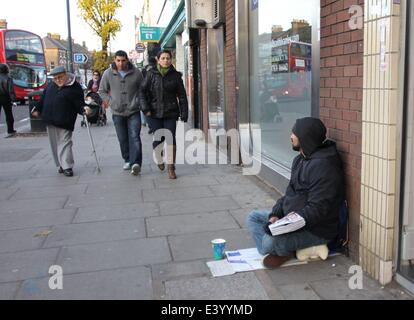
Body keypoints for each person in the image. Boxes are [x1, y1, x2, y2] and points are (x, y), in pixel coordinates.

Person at [246, 117, 345, 268]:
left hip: (316, 229)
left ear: (305, 137)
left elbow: (317, 210)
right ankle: (289, 251)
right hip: (291, 218)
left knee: (268, 242)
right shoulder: (300, 160)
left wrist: (282, 227)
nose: (291, 136)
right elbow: (288, 194)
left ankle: (290, 250)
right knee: (253, 218)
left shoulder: (325, 166)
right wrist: (275, 216)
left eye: (294, 133)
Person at [31, 66, 91, 177]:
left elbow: (79, 103)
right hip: (49, 118)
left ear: (66, 75)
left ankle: (67, 166)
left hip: (65, 120)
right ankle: (60, 165)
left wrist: (84, 109)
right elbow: (43, 98)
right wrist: (37, 108)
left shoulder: (74, 87)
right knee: (54, 143)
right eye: (55, 78)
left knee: (65, 142)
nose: (58, 80)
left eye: (60, 77)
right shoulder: (51, 85)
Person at [140, 50, 188, 180]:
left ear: (171, 60)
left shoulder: (176, 76)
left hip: (170, 112)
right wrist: (145, 109)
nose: (166, 60)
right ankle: (159, 157)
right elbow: (142, 92)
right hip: (153, 113)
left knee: (170, 138)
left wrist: (184, 112)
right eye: (163, 58)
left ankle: (171, 167)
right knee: (158, 138)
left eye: (168, 58)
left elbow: (182, 96)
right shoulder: (151, 74)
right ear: (158, 59)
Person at [99, 50, 144, 175]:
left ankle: (136, 163)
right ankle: (127, 159)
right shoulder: (108, 73)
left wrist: (138, 101)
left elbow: (143, 89)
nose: (120, 63)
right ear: (114, 60)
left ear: (127, 60)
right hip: (117, 111)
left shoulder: (136, 73)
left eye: (123, 60)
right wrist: (110, 102)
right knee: (122, 138)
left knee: (134, 136)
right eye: (118, 60)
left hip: (133, 110)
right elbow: (102, 91)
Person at [0, 63, 17, 138]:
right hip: (5, 97)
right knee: (8, 114)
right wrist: (13, 100)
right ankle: (10, 130)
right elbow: (11, 91)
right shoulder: (8, 78)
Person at [141, 56, 157, 134]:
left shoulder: (144, 69)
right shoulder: (156, 68)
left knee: (146, 108)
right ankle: (154, 126)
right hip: (154, 91)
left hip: (146, 91)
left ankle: (150, 125)